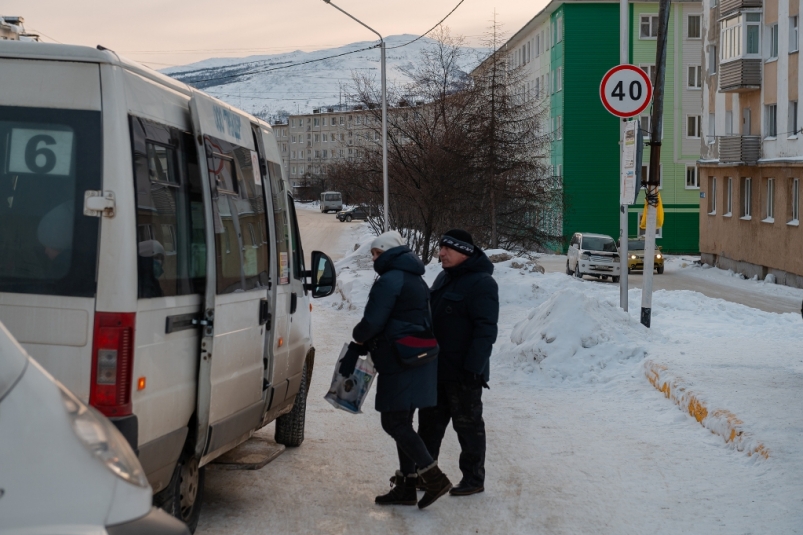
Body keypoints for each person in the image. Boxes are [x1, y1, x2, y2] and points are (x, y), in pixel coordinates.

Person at [339, 231, 453, 509]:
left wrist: (358, 339)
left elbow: (373, 320)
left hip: (401, 361)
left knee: (394, 422)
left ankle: (434, 477)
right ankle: (406, 486)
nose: (374, 259)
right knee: (402, 421)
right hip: (415, 357)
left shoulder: (391, 279)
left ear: (388, 252)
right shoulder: (412, 276)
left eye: (376, 253)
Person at [418, 229, 499, 497]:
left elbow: (485, 331)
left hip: (464, 374)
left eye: (447, 249)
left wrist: (473, 369)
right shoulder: (443, 277)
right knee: (429, 427)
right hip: (436, 370)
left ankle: (473, 478)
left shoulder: (482, 284)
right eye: (441, 248)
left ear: (464, 251)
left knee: (468, 428)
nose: (441, 253)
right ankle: (425, 475)